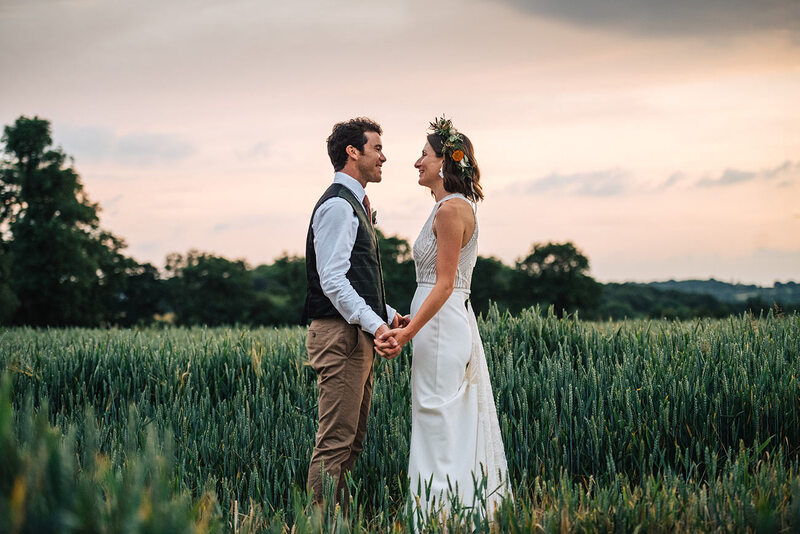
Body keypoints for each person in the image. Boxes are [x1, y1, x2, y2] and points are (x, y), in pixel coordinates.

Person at [376, 117, 510, 521]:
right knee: (438, 418)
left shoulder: (451, 210)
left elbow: (446, 283)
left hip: (441, 327)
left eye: (424, 155)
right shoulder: (447, 207)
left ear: (445, 161)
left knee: (436, 417)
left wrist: (408, 334)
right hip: (435, 323)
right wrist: (411, 321)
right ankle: (446, 512)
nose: (417, 162)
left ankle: (438, 516)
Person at [303, 117, 408, 506]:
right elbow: (332, 281)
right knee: (335, 444)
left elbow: (354, 277)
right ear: (353, 152)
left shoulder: (354, 203)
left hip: (353, 334)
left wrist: (388, 315)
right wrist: (377, 325)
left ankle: (338, 522)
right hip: (340, 336)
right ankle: (319, 524)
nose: (383, 157)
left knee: (352, 442)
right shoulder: (337, 206)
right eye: (377, 148)